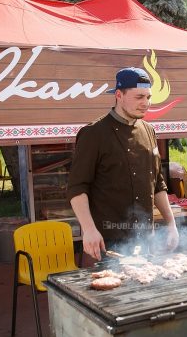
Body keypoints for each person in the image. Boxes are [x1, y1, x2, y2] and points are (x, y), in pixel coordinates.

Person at [67, 67, 179, 260]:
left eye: (148, 97)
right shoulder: (93, 134)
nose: (146, 103)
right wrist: (89, 230)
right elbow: (77, 188)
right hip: (108, 241)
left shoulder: (149, 131)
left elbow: (158, 183)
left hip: (145, 239)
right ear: (119, 95)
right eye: (139, 97)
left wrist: (171, 222)